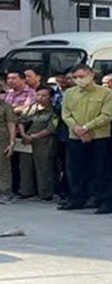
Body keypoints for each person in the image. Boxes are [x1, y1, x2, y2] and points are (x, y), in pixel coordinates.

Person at [59, 64, 112, 213]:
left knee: (100, 170)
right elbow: (66, 114)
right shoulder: (69, 93)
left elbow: (107, 115)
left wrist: (86, 128)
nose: (78, 80)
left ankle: (102, 200)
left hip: (100, 136)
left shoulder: (106, 93)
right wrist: (78, 129)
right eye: (75, 77)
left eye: (81, 76)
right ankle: (76, 198)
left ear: (91, 75)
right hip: (75, 137)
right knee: (75, 169)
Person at [18, 86, 58, 202]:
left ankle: (45, 193)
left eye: (44, 95)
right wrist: (23, 134)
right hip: (26, 142)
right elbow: (21, 121)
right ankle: (26, 191)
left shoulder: (54, 111)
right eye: (38, 95)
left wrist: (34, 136)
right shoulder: (30, 108)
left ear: (50, 97)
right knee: (25, 166)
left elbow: (51, 128)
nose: (40, 98)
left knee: (44, 167)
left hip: (44, 143)